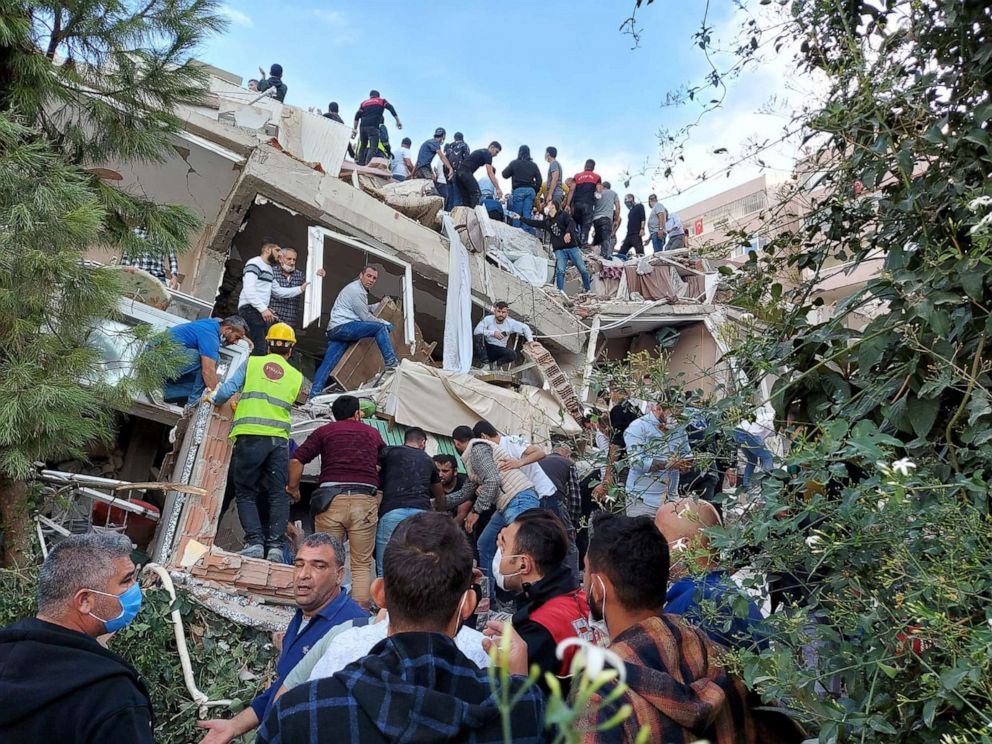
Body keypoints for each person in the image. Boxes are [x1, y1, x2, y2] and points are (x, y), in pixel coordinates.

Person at [258, 512, 545, 744]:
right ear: (467, 605)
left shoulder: (300, 711)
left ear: (379, 594)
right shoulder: (522, 709)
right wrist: (516, 681)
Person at [576, 513, 805, 744]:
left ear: (598, 588)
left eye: (585, 571)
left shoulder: (599, 694)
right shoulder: (717, 655)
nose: (583, 583)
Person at [196, 534, 366, 744]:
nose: (304, 574)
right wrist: (233, 726)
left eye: (318, 566)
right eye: (299, 564)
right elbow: (284, 686)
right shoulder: (304, 614)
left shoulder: (352, 630)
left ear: (339, 575)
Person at [0, 533, 152, 743]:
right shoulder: (112, 696)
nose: (136, 587)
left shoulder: (7, 651)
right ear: (84, 601)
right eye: (126, 580)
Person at [210, 323, 304, 561]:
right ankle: (274, 547)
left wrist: (214, 397)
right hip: (279, 441)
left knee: (245, 491)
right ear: (290, 350)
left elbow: (226, 391)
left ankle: (254, 542)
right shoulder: (296, 377)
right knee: (277, 494)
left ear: (268, 344)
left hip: (250, 435)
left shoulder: (252, 363)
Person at [287, 395, 386, 608]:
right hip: (364, 502)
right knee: (361, 564)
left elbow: (297, 459)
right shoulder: (373, 433)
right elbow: (383, 462)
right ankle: (357, 620)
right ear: (358, 413)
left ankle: (324, 611)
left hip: (330, 501)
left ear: (333, 414)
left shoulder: (325, 431)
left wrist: (294, 490)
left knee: (325, 560)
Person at [490, 509, 594, 693]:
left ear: (523, 564)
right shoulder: (580, 598)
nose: (499, 550)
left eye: (503, 545)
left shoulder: (536, 630)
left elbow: (515, 698)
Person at [656, 499, 768, 652]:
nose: (652, 545)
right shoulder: (717, 590)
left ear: (685, 545)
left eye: (658, 537)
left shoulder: (698, 604)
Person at [471, 420, 579, 577]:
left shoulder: (511, 441)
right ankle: (496, 594)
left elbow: (540, 453)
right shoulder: (491, 456)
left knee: (563, 542)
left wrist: (518, 462)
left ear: (483, 437)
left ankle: (572, 584)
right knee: (495, 544)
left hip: (545, 496)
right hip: (514, 502)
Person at [444, 426, 539, 600]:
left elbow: (493, 480)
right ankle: (489, 599)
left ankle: (525, 601)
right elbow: (466, 492)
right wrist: (437, 503)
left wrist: (476, 511)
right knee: (485, 544)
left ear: (456, 443)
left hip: (519, 499)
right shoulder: (473, 458)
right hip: (507, 504)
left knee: (520, 551)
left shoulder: (477, 449)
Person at [310, 265, 398, 396]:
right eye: (369, 276)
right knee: (379, 328)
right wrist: (384, 323)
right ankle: (391, 362)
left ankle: (314, 394)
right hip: (343, 327)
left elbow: (359, 308)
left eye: (374, 278)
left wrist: (376, 306)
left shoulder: (357, 290)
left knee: (328, 364)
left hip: (335, 329)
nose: (371, 280)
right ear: (361, 275)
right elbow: (365, 317)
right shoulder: (357, 290)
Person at [375, 427, 443, 574]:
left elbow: (374, 472)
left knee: (384, 567)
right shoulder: (428, 460)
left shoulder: (389, 452)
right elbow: (439, 494)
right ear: (422, 442)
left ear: (405, 440)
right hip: (421, 515)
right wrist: (441, 513)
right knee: (419, 566)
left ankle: (383, 595)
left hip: (392, 511)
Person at [237, 237, 311, 355]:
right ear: (267, 250)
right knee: (259, 348)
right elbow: (249, 289)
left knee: (261, 347)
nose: (279, 254)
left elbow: (279, 291)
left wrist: (301, 288)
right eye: (277, 250)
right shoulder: (255, 263)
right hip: (250, 309)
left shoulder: (268, 269)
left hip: (257, 310)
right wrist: (263, 308)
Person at [623, 399, 693, 518]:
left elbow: (687, 454)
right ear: (659, 408)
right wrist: (669, 464)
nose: (676, 420)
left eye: (680, 416)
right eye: (673, 415)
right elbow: (636, 462)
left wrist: (686, 465)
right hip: (642, 500)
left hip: (671, 501)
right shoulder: (639, 427)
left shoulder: (679, 430)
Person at [161, 315, 248, 405]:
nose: (236, 342)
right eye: (237, 337)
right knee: (209, 363)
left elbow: (220, 319)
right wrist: (216, 396)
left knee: (200, 382)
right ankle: (192, 405)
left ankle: (164, 392)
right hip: (158, 357)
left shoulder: (214, 324)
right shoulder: (210, 334)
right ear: (228, 329)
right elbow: (208, 371)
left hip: (160, 357)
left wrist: (246, 339)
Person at [520, 200, 591, 293]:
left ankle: (588, 289)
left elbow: (571, 223)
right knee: (560, 271)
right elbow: (534, 223)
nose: (546, 206)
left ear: (553, 206)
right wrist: (520, 218)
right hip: (559, 250)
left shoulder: (563, 215)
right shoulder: (548, 221)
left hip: (572, 247)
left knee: (583, 269)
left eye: (548, 205)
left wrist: (568, 233)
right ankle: (560, 292)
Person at [537, 449, 583, 579]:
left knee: (543, 544)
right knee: (569, 545)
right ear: (567, 455)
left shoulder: (539, 459)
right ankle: (573, 585)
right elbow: (575, 497)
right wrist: (572, 524)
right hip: (554, 500)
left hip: (534, 502)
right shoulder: (568, 463)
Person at [270, 246, 326, 331]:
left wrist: (318, 275)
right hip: (272, 320)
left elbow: (310, 284)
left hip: (290, 322)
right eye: (289, 259)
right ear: (280, 259)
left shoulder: (299, 275)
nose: (292, 262)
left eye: (294, 259)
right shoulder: (271, 272)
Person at [473, 300, 535, 367]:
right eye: (498, 311)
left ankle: (496, 365)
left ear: (507, 313)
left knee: (512, 354)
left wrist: (531, 341)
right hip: (486, 347)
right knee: (478, 337)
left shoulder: (511, 323)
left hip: (499, 349)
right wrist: (493, 333)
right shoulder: (488, 319)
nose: (501, 314)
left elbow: (525, 327)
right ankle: (485, 364)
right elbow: (477, 331)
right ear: (495, 311)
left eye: (503, 312)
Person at [352, 89, 402, 166]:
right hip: (373, 127)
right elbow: (390, 107)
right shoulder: (381, 101)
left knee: (363, 146)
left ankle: (361, 165)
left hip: (362, 127)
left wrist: (354, 129)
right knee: (373, 147)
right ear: (378, 96)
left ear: (370, 96)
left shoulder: (364, 103)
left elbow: (357, 115)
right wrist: (397, 120)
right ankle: (367, 166)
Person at [502, 145, 543, 233]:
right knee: (527, 214)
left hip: (518, 190)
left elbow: (504, 174)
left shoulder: (514, 163)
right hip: (530, 190)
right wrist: (534, 189)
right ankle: (526, 236)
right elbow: (539, 181)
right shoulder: (534, 165)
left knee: (517, 214)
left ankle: (517, 236)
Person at [734, 407, 776, 489]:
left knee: (752, 460)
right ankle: (767, 485)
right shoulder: (775, 421)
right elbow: (758, 438)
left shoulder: (770, 417)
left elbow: (760, 438)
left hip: (738, 432)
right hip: (748, 434)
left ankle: (746, 485)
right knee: (768, 457)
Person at [453, 141, 503, 209]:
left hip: (458, 174)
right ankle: (474, 215)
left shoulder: (481, 151)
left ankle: (462, 216)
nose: (496, 155)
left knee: (465, 198)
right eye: (496, 152)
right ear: (492, 147)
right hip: (465, 172)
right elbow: (490, 173)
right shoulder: (487, 154)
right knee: (476, 193)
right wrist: (497, 188)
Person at [563, 159, 601, 245]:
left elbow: (572, 190)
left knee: (574, 223)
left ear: (585, 166)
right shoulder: (597, 177)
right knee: (585, 226)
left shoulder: (577, 176)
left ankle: (573, 243)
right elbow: (598, 191)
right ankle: (583, 245)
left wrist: (568, 205)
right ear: (593, 167)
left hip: (576, 204)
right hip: (588, 204)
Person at [592, 181, 621, 259]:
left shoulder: (597, 193)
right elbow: (618, 207)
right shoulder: (613, 193)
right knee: (605, 238)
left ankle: (595, 257)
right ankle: (604, 256)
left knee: (597, 239)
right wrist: (616, 219)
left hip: (595, 219)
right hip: (606, 218)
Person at [443, 131, 470, 208]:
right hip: (458, 174)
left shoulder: (450, 146)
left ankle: (447, 216)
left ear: (454, 138)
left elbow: (445, 161)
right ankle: (454, 217)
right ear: (462, 138)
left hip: (449, 175)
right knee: (458, 196)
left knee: (450, 197)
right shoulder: (464, 145)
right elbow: (467, 160)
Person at [617, 194, 646, 258]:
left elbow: (643, 218)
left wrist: (642, 228)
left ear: (631, 198)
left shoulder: (639, 206)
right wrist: (625, 238)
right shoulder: (630, 211)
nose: (626, 203)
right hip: (629, 235)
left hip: (636, 234)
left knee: (640, 253)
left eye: (626, 200)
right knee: (621, 253)